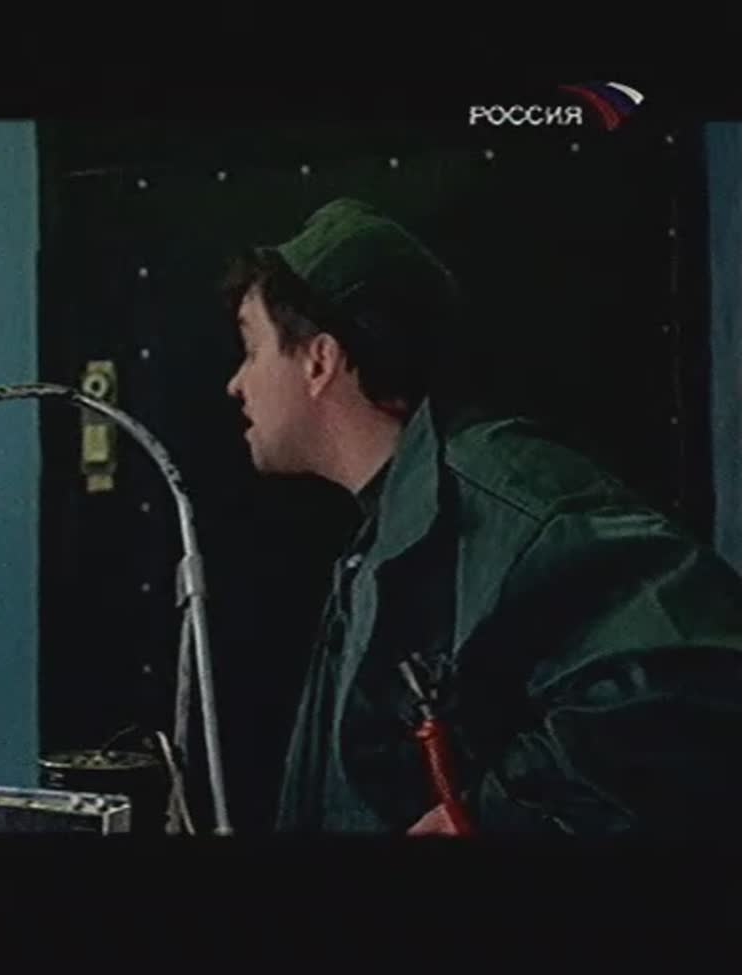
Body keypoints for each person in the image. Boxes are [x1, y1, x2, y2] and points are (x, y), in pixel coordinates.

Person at [222, 196, 742, 834]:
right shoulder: (384, 530)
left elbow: (697, 690)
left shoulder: (511, 497)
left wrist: (491, 814)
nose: (236, 383)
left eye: (251, 348)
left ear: (319, 361)